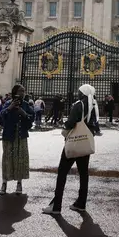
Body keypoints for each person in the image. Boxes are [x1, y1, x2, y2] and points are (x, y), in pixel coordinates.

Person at [43, 84, 99, 215]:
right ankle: (81, 203)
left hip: (74, 141)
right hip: (85, 142)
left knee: (62, 172)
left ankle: (56, 206)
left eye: (79, 92)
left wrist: (65, 130)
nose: (77, 94)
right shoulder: (94, 106)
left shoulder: (79, 104)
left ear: (83, 94)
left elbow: (71, 122)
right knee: (84, 173)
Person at [0, 84, 33, 195]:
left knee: (20, 159)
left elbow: (31, 119)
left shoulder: (26, 105)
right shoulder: (8, 103)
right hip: (9, 136)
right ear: (15, 92)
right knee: (7, 159)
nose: (22, 93)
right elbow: (1, 117)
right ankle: (4, 184)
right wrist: (9, 108)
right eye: (20, 91)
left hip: (21, 136)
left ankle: (19, 183)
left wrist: (24, 113)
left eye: (23, 91)